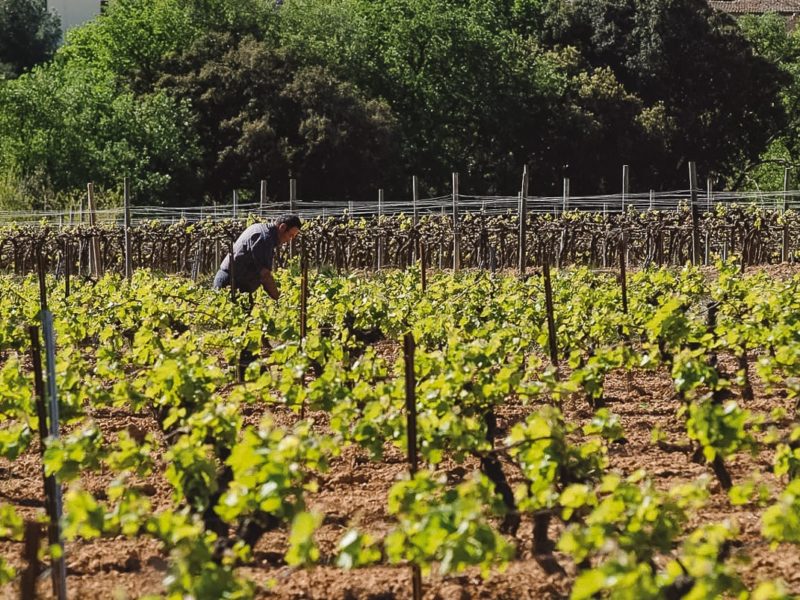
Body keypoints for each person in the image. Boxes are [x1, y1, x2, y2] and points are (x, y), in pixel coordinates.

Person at [213, 214, 302, 299]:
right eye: (290, 235)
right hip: (231, 285)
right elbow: (265, 275)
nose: (289, 240)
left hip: (235, 284)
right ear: (282, 227)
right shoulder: (265, 238)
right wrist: (278, 298)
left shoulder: (260, 228)